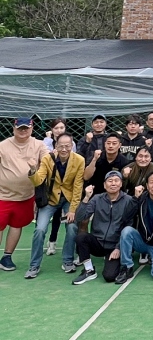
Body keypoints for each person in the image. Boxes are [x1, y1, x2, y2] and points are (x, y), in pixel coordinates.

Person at [24, 133, 84, 278]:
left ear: (72, 146)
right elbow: (38, 181)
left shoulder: (79, 160)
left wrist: (72, 210)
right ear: (55, 146)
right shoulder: (47, 159)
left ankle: (68, 260)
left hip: (68, 198)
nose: (64, 149)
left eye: (67, 146)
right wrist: (33, 169)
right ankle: (34, 265)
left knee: (72, 227)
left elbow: (78, 187)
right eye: (61, 146)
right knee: (40, 229)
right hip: (50, 199)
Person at [0, 118, 49, 272]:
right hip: (2, 195)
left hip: (26, 196)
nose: (23, 131)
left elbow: (48, 160)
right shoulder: (3, 145)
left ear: (31, 129)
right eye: (19, 128)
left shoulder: (39, 145)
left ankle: (7, 257)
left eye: (26, 128)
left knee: (17, 225)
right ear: (13, 129)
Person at [72, 171, 137, 284]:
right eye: (110, 181)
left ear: (121, 184)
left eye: (116, 181)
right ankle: (89, 270)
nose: (113, 183)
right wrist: (86, 198)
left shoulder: (129, 200)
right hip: (98, 242)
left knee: (109, 276)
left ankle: (118, 261)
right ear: (104, 185)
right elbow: (80, 217)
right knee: (81, 237)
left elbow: (130, 225)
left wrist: (118, 248)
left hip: (115, 246)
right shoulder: (97, 198)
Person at [116, 170, 153, 284]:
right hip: (142, 241)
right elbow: (126, 217)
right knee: (127, 231)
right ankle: (127, 267)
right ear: (147, 185)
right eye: (151, 182)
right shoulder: (141, 198)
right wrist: (135, 198)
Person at [42, 117, 76, 256]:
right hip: (51, 188)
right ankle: (51, 242)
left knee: (67, 220)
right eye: (56, 128)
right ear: (52, 130)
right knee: (50, 218)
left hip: (66, 188)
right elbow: (44, 161)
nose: (59, 130)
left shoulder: (71, 144)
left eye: (62, 127)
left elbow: (73, 162)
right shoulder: (47, 142)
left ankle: (59, 246)